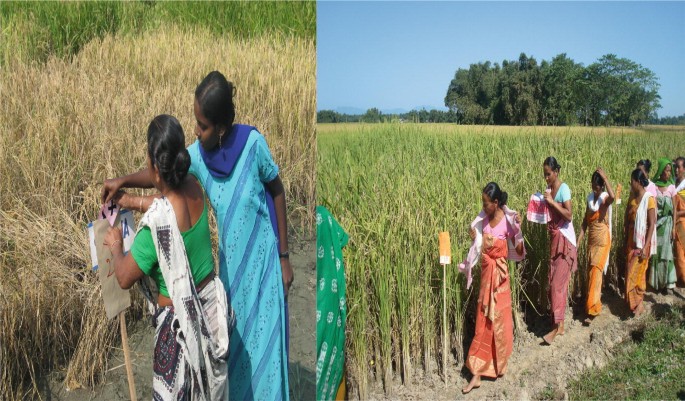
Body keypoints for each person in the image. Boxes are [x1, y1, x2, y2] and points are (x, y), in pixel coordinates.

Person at [102, 71, 292, 400]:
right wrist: (126, 185)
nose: (196, 130)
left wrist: (284, 257)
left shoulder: (252, 145)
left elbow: (277, 189)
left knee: (265, 354)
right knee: (232, 360)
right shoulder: (196, 173)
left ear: (221, 127)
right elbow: (167, 182)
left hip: (261, 269)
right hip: (227, 279)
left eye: (202, 125)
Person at [105, 115, 231, 400]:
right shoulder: (194, 186)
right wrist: (132, 199)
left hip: (178, 333)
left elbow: (124, 276)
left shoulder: (154, 230)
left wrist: (115, 246)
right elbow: (167, 203)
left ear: (154, 167)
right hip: (209, 314)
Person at [462, 182, 525, 394]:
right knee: (483, 322)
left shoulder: (507, 222)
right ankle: (477, 373)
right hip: (487, 280)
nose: (483, 206)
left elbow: (517, 248)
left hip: (501, 282)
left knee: (500, 322)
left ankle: (498, 365)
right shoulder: (483, 221)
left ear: (496, 203)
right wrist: (475, 240)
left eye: (486, 203)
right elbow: (478, 246)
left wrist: (518, 229)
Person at [541, 156, 577, 345]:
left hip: (565, 241)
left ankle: (556, 328)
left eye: (549, 174)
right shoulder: (549, 190)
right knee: (554, 282)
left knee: (557, 285)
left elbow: (569, 215)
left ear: (556, 172)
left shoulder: (563, 189)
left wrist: (552, 203)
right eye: (544, 174)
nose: (546, 178)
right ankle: (560, 325)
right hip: (554, 239)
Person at [316, 206, 349, 401]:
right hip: (328, 303)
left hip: (324, 304)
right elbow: (343, 239)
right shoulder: (323, 217)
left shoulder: (322, 217)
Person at [577, 168, 614, 324]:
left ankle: (593, 309)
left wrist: (605, 178)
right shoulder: (590, 199)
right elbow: (586, 221)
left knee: (595, 272)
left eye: (597, 186)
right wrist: (579, 239)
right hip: (592, 241)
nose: (595, 189)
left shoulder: (605, 198)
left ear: (602, 186)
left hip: (602, 240)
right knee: (591, 272)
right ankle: (593, 302)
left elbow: (612, 196)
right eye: (593, 186)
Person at [625, 168, 657, 316]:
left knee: (636, 274)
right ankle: (635, 305)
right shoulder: (632, 198)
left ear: (638, 182)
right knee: (633, 273)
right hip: (632, 242)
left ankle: (639, 304)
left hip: (643, 242)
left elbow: (651, 224)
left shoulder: (649, 199)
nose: (630, 184)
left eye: (632, 181)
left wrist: (645, 246)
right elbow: (627, 218)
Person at [648, 158, 677, 293]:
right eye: (666, 170)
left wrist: (674, 228)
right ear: (661, 171)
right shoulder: (654, 187)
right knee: (657, 253)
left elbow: (675, 209)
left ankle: (668, 284)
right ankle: (657, 283)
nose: (669, 173)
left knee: (667, 253)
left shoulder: (672, 187)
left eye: (670, 171)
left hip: (667, 224)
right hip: (656, 224)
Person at [673, 157, 685, 286]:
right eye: (675, 167)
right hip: (675, 222)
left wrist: (675, 214)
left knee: (681, 254)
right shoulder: (674, 184)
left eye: (679, 167)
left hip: (682, 223)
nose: (676, 170)